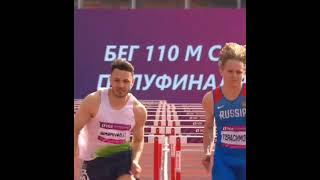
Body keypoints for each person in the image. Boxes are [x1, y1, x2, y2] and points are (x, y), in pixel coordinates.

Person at [74, 59, 147, 180]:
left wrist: (135, 160)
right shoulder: (94, 101)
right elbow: (76, 128)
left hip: (121, 157)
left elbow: (138, 140)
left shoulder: (138, 110)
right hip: (94, 159)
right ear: (110, 80)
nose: (121, 85)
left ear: (132, 83)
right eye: (117, 80)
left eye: (126, 81)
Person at [202, 42, 246, 180]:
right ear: (221, 70)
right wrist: (207, 151)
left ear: (244, 72)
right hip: (224, 161)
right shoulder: (211, 98)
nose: (234, 76)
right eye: (230, 71)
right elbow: (209, 127)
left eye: (239, 72)